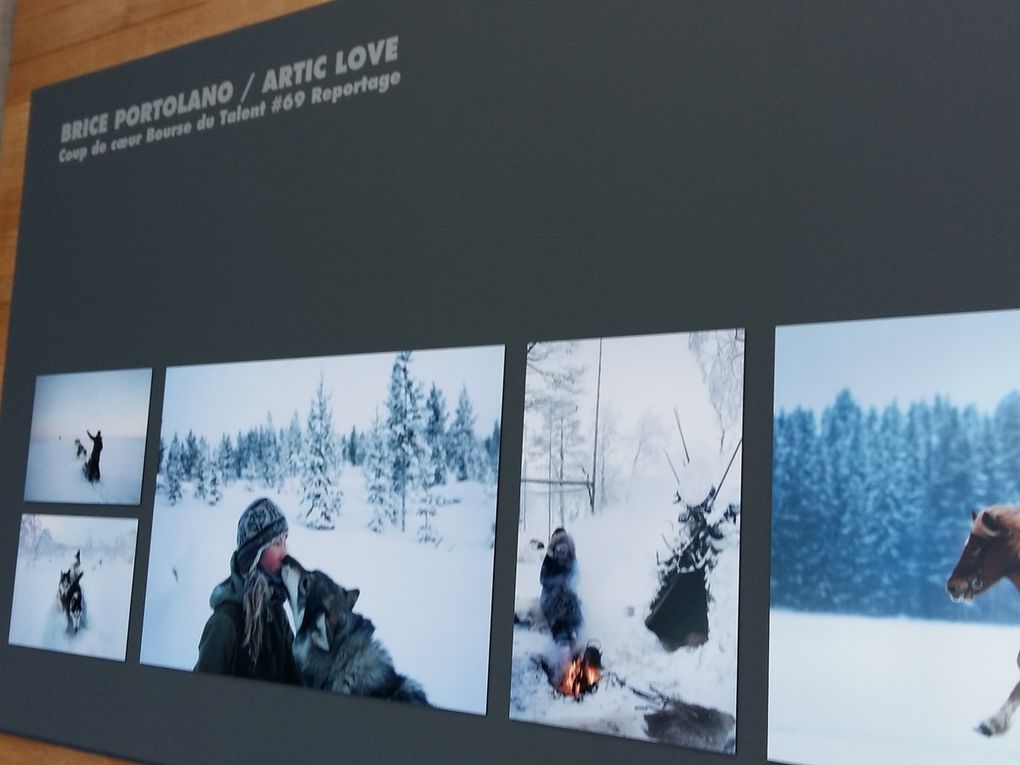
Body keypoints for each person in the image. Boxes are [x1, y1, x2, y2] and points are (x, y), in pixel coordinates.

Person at [194, 497, 299, 683]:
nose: (285, 552)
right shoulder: (225, 623)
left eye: (284, 542)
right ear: (254, 555)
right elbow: (197, 698)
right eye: (276, 543)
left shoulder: (275, 609)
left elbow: (297, 675)